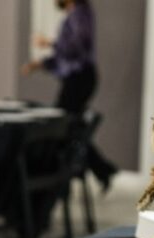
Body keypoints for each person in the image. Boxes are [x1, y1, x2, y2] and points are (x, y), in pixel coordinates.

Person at [22, 0, 117, 191]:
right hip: (76, 77)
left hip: (80, 77)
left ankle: (93, 170)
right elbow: (62, 56)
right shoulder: (73, 14)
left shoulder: (81, 12)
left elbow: (75, 45)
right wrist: (40, 64)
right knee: (72, 127)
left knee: (63, 125)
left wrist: (48, 42)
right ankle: (101, 169)